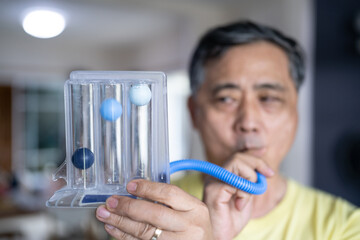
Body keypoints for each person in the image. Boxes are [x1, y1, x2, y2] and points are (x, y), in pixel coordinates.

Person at [95, 20, 360, 240]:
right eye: (226, 99)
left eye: (269, 98)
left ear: (296, 113)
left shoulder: (346, 226)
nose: (248, 121)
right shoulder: (146, 212)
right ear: (194, 113)